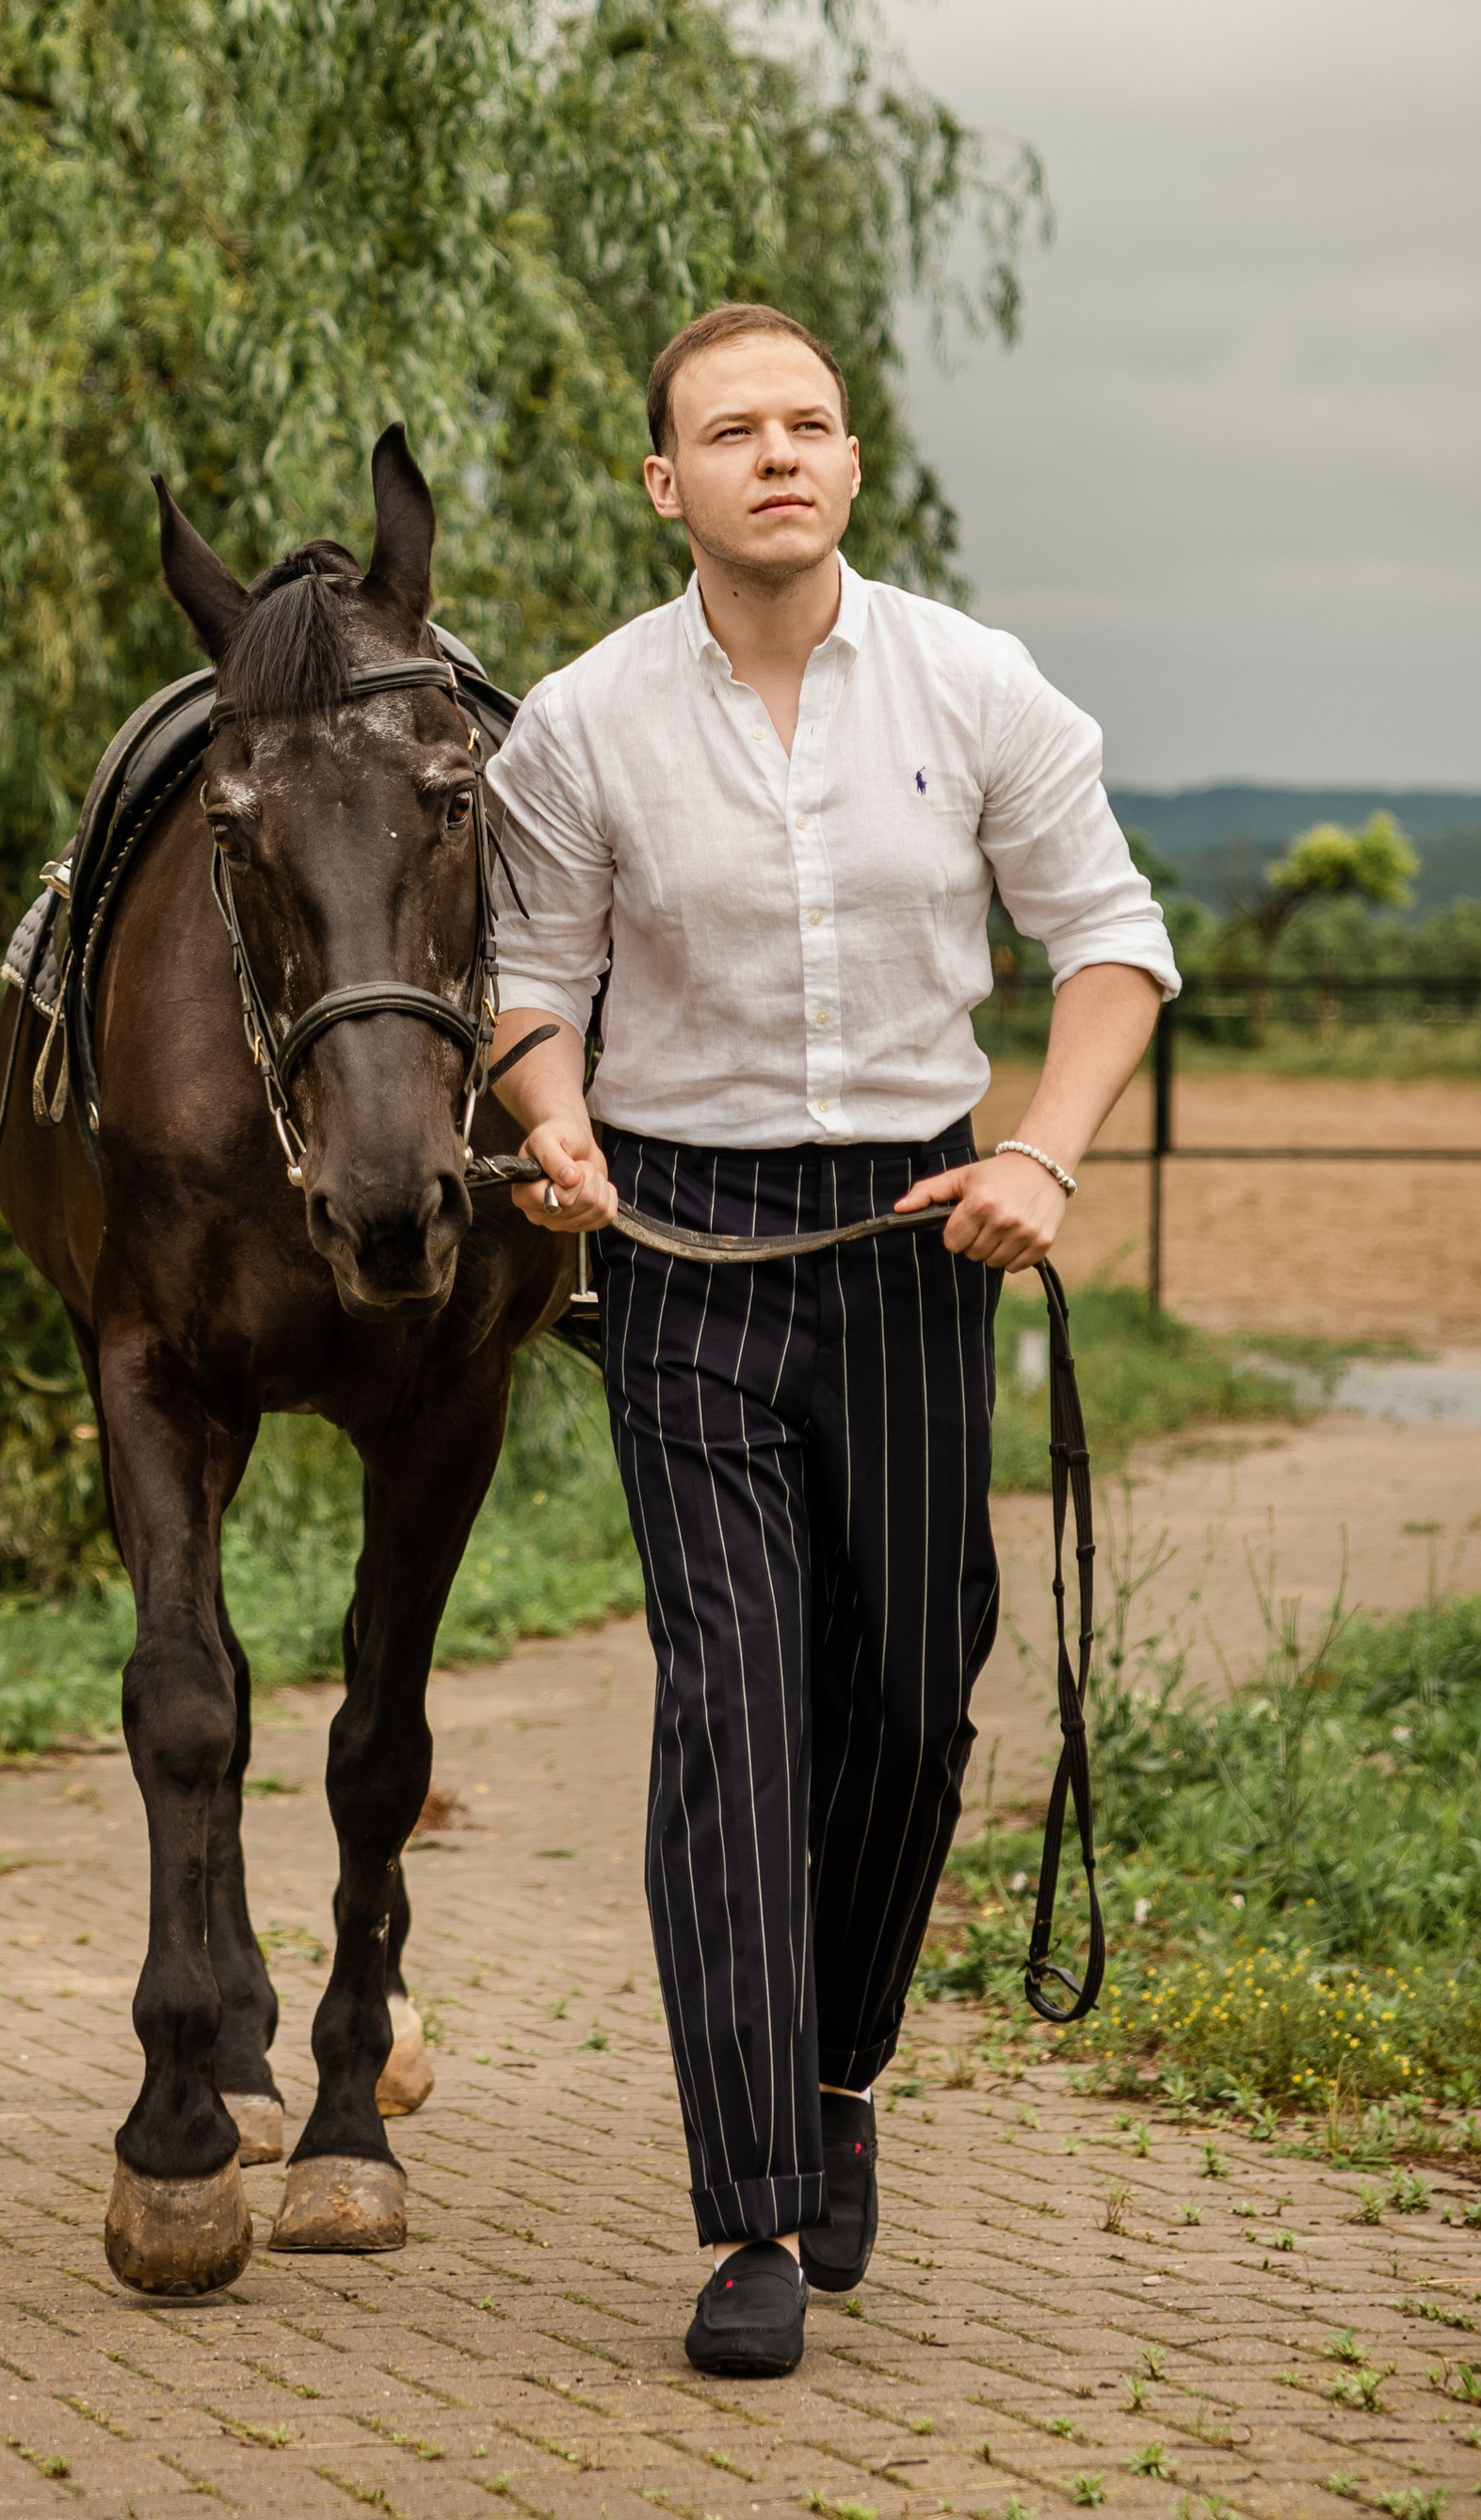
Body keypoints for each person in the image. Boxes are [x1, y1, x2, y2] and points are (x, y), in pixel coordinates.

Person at [483, 300, 1176, 2378]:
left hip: (907, 1238)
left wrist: (1039, 1156)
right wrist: (549, 1116)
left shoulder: (973, 685)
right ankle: (750, 2213)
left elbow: (1110, 943)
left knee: (908, 1684)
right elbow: (528, 972)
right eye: (728, 429)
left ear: (847, 466)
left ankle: (841, 2065)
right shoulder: (579, 724)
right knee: (731, 1706)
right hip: (680, 1254)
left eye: (806, 423)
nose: (773, 453)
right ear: (662, 483)